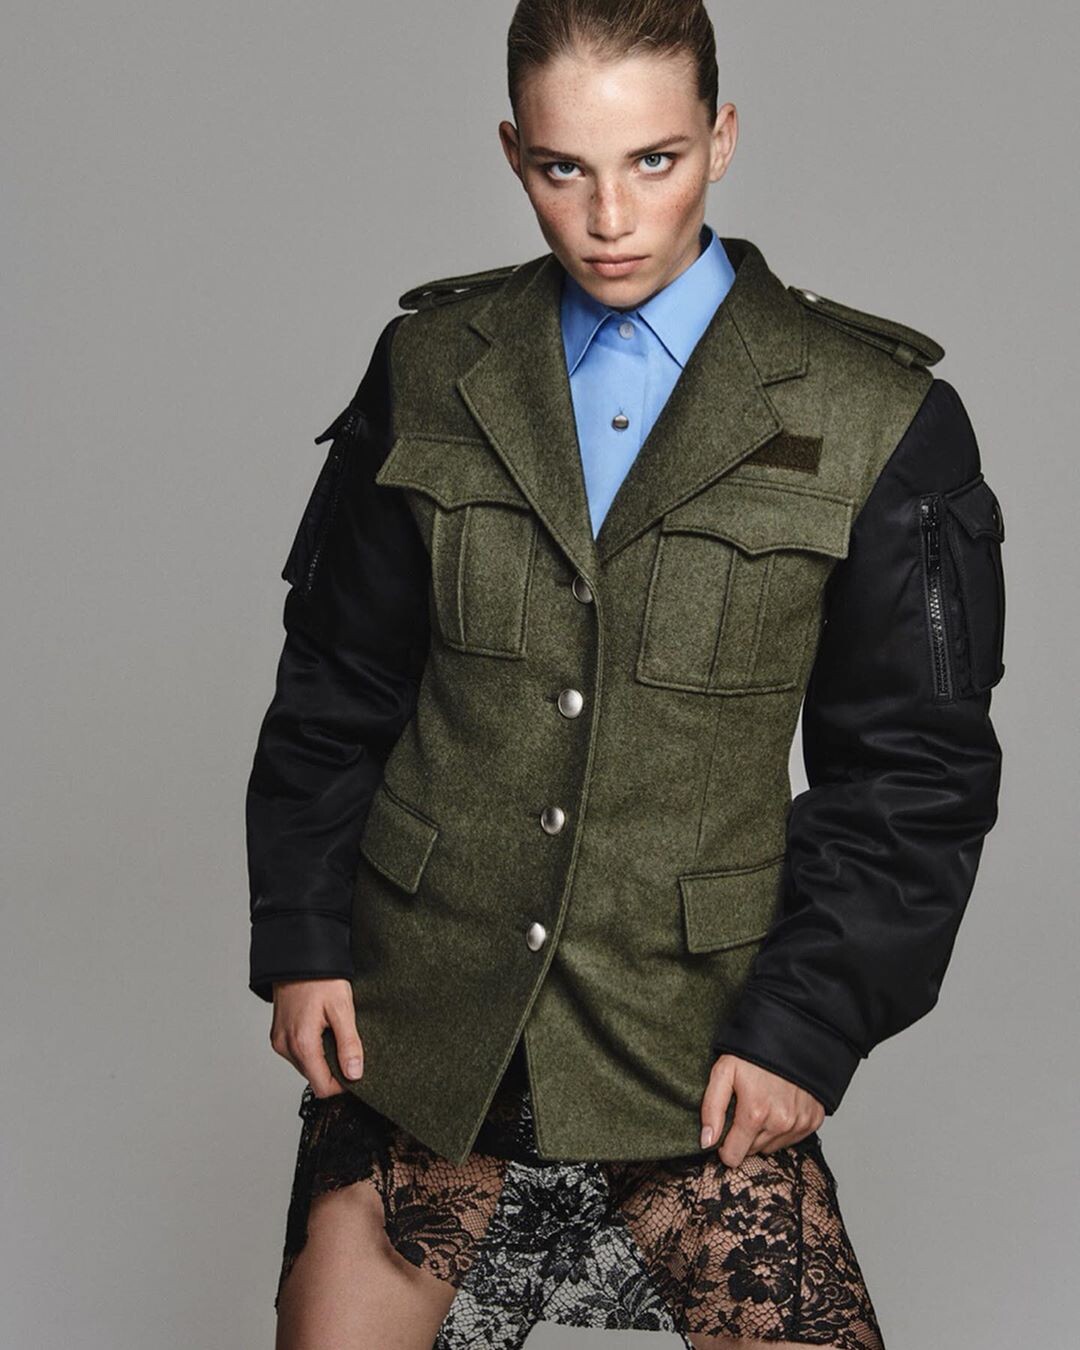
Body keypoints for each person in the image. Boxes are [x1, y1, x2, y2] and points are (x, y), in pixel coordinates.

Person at [245, 2, 1005, 1347]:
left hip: (691, 1028)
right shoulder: (431, 366)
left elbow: (914, 776)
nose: (609, 217)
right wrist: (303, 938)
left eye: (655, 160)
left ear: (722, 136)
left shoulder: (877, 415)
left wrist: (808, 1028)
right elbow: (335, 687)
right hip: (426, 1011)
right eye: (564, 168)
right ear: (512, 151)